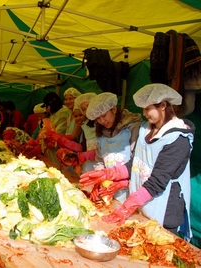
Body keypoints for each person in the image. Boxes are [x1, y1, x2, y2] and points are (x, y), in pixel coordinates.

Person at [80, 84, 195, 241]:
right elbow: (134, 164)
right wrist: (107, 173)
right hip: (143, 204)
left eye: (148, 109)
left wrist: (127, 206)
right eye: (143, 109)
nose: (144, 113)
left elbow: (156, 182)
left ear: (163, 105)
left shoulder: (177, 139)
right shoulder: (145, 129)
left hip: (164, 210)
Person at [85, 92, 142, 203]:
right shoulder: (101, 134)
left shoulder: (133, 128)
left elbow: (137, 163)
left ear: (114, 109)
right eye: (97, 119)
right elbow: (100, 160)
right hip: (109, 192)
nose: (102, 121)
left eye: (104, 115)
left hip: (131, 191)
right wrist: (98, 180)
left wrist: (121, 183)